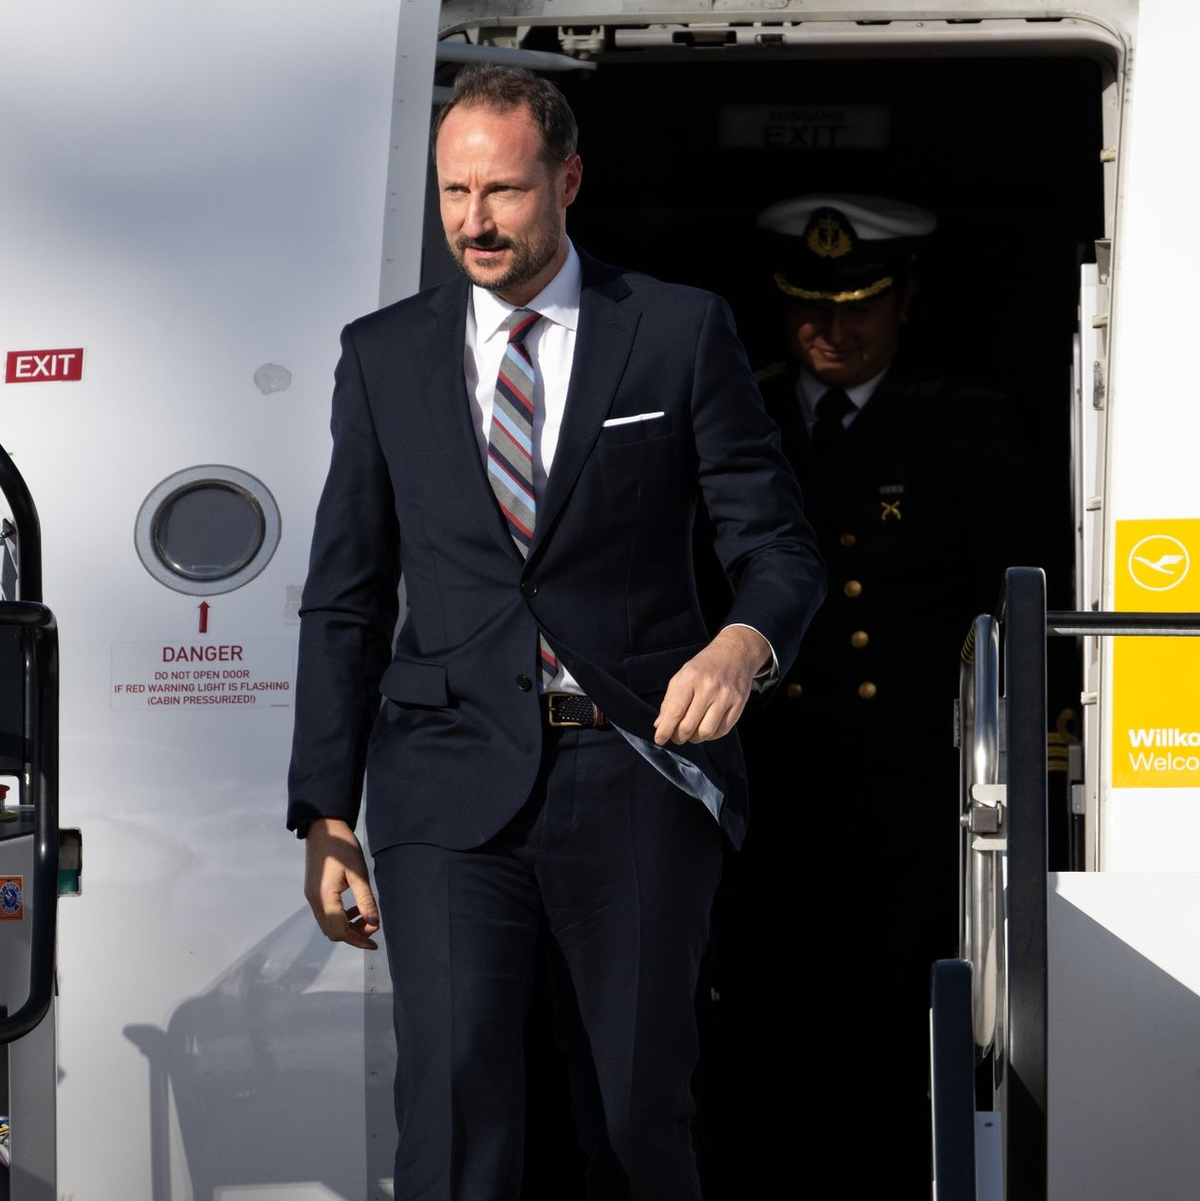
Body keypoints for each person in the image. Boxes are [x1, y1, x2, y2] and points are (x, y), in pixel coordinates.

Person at [286, 65, 825, 1201]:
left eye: (505, 191)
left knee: (633, 1116)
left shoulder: (677, 331)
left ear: (568, 180)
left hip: (629, 771)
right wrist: (326, 812)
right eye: (453, 193)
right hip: (444, 773)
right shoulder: (383, 355)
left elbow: (777, 546)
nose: (474, 222)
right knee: (452, 1098)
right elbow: (346, 594)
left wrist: (740, 646)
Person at [707, 193, 1043, 1196]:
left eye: (858, 305)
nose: (832, 330)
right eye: (809, 306)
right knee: (765, 1028)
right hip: (768, 788)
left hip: (910, 795)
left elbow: (1015, 605)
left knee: (894, 1038)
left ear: (905, 300)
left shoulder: (966, 428)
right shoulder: (743, 415)